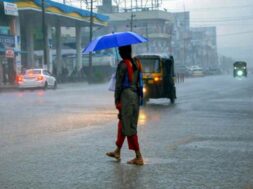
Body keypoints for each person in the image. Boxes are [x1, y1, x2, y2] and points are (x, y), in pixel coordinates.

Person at [106, 45, 144, 165]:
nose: (119, 52)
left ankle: (138, 156)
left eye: (120, 51)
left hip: (126, 98)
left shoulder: (122, 65)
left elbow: (118, 86)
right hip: (135, 97)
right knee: (123, 123)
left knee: (129, 127)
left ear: (123, 52)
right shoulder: (137, 63)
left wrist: (117, 101)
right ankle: (117, 151)